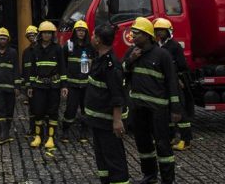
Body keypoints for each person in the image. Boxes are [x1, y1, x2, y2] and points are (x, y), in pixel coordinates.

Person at [123, 17, 182, 184]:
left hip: (158, 110)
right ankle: (149, 176)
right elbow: (121, 73)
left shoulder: (162, 55)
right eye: (133, 33)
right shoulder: (132, 53)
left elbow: (172, 82)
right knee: (143, 145)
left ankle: (167, 180)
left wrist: (176, 109)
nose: (133, 36)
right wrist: (130, 60)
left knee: (163, 145)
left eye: (137, 33)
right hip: (138, 108)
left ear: (147, 36)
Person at [85, 23, 129, 184]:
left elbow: (117, 95)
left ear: (98, 40)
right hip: (98, 121)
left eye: (93, 35)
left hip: (108, 123)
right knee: (102, 159)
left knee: (114, 160)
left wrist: (117, 121)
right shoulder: (100, 59)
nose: (90, 37)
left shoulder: (111, 65)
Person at [154, 18, 194, 151]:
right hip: (163, 82)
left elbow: (182, 65)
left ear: (168, 31)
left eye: (162, 31)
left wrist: (179, 78)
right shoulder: (157, 45)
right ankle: (171, 137)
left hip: (175, 81)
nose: (159, 33)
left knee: (180, 110)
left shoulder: (174, 46)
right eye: (157, 30)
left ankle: (186, 140)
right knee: (167, 111)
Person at [27, 21, 67, 153]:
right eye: (44, 33)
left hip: (54, 85)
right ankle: (38, 136)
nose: (47, 35)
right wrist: (30, 86)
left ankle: (50, 138)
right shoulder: (35, 49)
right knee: (38, 111)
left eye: (49, 33)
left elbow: (62, 68)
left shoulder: (58, 49)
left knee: (53, 112)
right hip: (39, 86)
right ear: (40, 34)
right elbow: (32, 69)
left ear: (53, 34)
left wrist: (64, 85)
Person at [61, 19, 93, 143]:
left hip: (86, 85)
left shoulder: (90, 47)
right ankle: (65, 130)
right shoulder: (68, 46)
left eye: (83, 31)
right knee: (70, 109)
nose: (81, 33)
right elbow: (63, 65)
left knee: (86, 109)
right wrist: (64, 84)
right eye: (79, 30)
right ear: (74, 32)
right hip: (72, 84)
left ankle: (84, 132)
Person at [0, 27, 20, 145]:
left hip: (10, 88)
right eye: (0, 38)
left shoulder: (13, 53)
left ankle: (6, 133)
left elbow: (16, 69)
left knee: (9, 110)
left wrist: (17, 86)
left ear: (8, 40)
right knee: (0, 110)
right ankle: (3, 134)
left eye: (4, 38)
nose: (2, 40)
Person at [21, 24, 39, 137]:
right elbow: (24, 69)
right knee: (32, 108)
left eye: (33, 35)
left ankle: (43, 129)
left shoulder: (41, 50)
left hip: (41, 83)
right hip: (30, 85)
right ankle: (32, 129)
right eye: (29, 36)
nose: (31, 37)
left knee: (43, 108)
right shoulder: (26, 52)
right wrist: (26, 85)